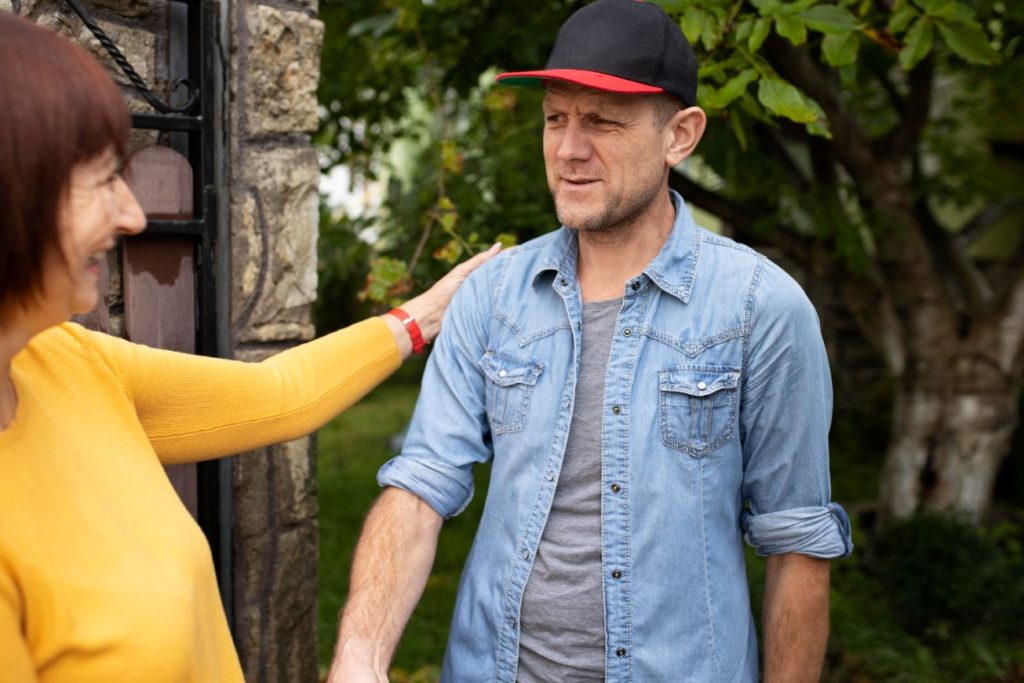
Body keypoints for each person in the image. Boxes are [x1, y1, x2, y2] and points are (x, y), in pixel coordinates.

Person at [328, 1, 853, 681]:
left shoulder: (762, 308)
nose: (569, 149)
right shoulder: (492, 298)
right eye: (555, 118)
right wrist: (358, 657)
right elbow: (419, 489)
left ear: (681, 135)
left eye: (602, 120)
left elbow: (797, 542)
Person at [0, 12, 499, 682]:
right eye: (98, 181)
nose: (133, 215)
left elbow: (274, 396)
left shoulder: (64, 362)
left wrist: (425, 314)